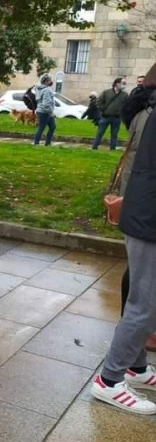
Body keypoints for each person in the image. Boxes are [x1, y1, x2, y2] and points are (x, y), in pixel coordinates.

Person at [90, 100, 156, 416]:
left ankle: (137, 367)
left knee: (147, 302)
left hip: (145, 212)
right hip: (149, 218)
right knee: (144, 304)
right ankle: (109, 380)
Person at [118, 63, 156, 353]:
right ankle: (112, 377)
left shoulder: (142, 109)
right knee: (141, 297)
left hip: (138, 198)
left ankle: (136, 361)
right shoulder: (149, 114)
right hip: (145, 203)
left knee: (138, 278)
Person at [93, 77, 129, 151]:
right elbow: (98, 102)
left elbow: (126, 105)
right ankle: (95, 146)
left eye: (125, 83)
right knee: (100, 132)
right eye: (123, 83)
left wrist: (121, 112)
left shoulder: (125, 94)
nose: (124, 85)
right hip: (105, 117)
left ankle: (113, 148)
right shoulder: (106, 92)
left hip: (116, 118)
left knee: (114, 134)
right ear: (117, 83)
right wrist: (104, 109)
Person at [32, 74, 56, 146]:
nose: (51, 81)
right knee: (41, 127)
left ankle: (48, 143)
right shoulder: (46, 90)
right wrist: (51, 113)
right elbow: (46, 103)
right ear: (47, 81)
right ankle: (36, 143)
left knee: (52, 126)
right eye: (50, 80)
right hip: (44, 111)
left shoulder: (40, 88)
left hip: (44, 111)